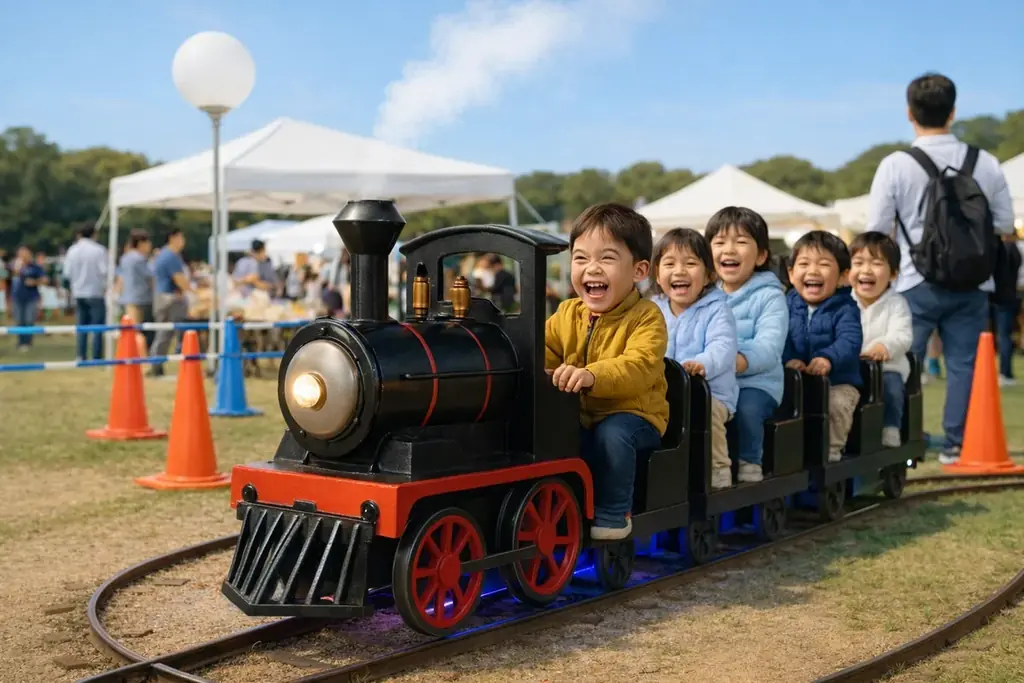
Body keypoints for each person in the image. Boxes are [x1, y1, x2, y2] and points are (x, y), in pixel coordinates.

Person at [864, 73, 1015, 464]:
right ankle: (956, 445)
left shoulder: (896, 165)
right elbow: (1002, 224)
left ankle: (905, 439)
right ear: (953, 113)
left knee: (901, 361)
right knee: (964, 365)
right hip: (973, 282)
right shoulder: (985, 163)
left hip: (915, 280)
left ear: (909, 113)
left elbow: (878, 231)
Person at [545, 203, 669, 540]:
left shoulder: (647, 317)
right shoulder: (566, 313)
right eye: (581, 258)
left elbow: (639, 366)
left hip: (636, 415)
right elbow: (543, 349)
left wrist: (592, 375)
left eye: (607, 258)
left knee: (612, 434)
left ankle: (615, 514)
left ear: (640, 270)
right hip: (582, 413)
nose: (591, 269)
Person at [706, 206, 788, 483]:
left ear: (762, 255)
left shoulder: (770, 296)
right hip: (715, 380)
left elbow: (769, 345)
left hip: (756, 381)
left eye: (741, 242)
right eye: (719, 242)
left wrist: (736, 361)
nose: (729, 250)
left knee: (748, 409)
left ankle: (750, 461)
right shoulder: (705, 295)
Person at [651, 228, 738, 490]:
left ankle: (719, 469)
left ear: (709, 274)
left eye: (690, 263)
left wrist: (703, 363)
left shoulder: (717, 309)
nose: (679, 271)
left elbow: (723, 346)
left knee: (705, 412)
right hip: (665, 392)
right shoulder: (653, 309)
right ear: (656, 273)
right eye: (669, 264)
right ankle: (662, 473)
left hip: (712, 392)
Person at [783, 231, 863, 463]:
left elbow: (850, 341)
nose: (813, 271)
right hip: (796, 381)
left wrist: (827, 358)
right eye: (804, 264)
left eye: (824, 264)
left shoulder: (846, 308)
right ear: (791, 273)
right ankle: (787, 455)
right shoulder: (786, 304)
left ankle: (832, 450)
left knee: (838, 404)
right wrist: (789, 358)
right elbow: (779, 337)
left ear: (843, 277)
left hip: (838, 380)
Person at [849, 233, 913, 448]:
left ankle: (891, 426)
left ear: (893, 274)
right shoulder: (843, 301)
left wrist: (884, 346)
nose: (866, 270)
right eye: (858, 263)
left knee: (892, 388)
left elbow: (902, 334)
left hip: (887, 366)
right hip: (851, 367)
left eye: (876, 264)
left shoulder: (897, 303)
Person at [62, 224, 108, 360]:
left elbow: (67, 273)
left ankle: (81, 355)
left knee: (81, 327)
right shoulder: (99, 250)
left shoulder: (72, 250)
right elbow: (104, 271)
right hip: (95, 293)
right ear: (94, 234)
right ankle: (96, 356)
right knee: (97, 328)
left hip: (78, 292)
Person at [150, 229, 192, 377]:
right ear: (172, 238)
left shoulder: (166, 255)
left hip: (163, 296)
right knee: (166, 332)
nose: (183, 241)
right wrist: (193, 292)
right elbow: (179, 279)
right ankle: (156, 365)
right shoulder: (170, 256)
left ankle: (157, 364)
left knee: (164, 332)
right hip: (169, 299)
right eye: (181, 238)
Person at [115, 229, 155, 351]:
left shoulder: (125, 258)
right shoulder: (139, 259)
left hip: (126, 298)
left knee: (130, 329)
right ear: (141, 243)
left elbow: (120, 278)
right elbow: (150, 277)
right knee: (137, 331)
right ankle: (142, 358)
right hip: (139, 299)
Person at [991, 233, 1022, 387]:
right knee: (1005, 336)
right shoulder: (1014, 250)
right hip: (1007, 297)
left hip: (995, 297)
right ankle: (1005, 371)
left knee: (997, 336)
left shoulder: (999, 249)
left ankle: (1001, 371)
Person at [10, 246, 47, 351]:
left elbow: (45, 280)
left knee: (29, 320)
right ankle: (20, 342)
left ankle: (28, 342)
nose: (23, 255)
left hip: (31, 297)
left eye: (25, 253)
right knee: (19, 321)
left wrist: (34, 282)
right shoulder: (15, 265)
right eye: (20, 253)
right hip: (17, 297)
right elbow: (11, 276)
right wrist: (17, 267)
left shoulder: (35, 267)